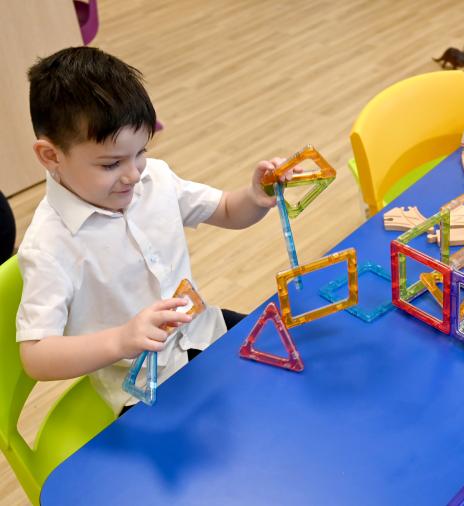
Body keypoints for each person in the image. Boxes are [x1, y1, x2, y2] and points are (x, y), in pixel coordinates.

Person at [16, 46, 294, 415]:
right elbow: (36, 355)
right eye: (112, 163)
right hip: (144, 388)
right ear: (51, 156)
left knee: (293, 377)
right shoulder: (49, 246)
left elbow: (227, 209)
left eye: (140, 152)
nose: (133, 173)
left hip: (205, 333)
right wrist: (121, 339)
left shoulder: (155, 178)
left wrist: (256, 196)